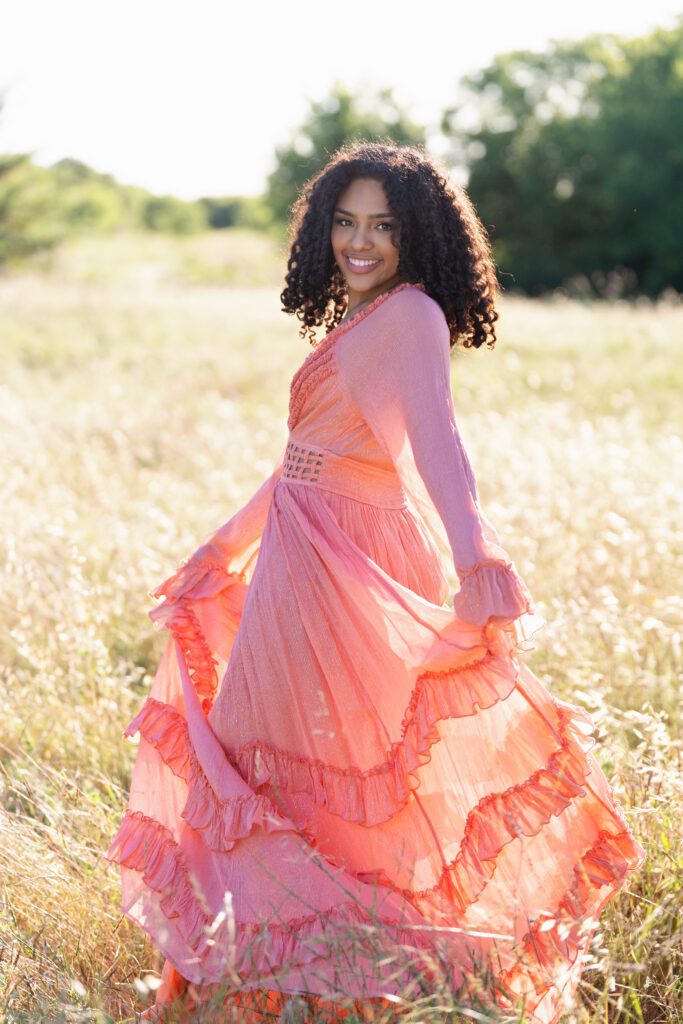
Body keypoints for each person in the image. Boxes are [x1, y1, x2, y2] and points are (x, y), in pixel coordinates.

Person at [103, 141, 645, 1024]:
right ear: (321, 229)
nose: (361, 242)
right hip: (300, 553)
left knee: (337, 773)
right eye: (346, 223)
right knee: (272, 768)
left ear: (419, 234)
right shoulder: (362, 317)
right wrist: (223, 548)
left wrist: (477, 561)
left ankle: (355, 987)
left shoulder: (410, 316)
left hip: (350, 566)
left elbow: (440, 448)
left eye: (383, 226)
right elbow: (304, 462)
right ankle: (269, 988)